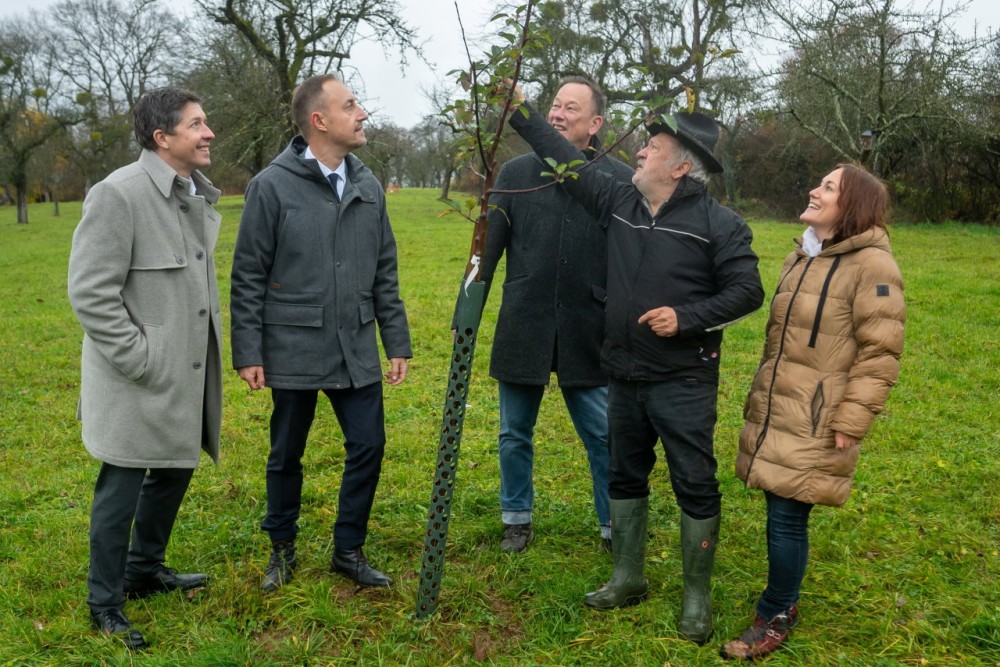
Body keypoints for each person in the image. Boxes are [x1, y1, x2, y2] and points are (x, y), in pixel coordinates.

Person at [504, 86, 764, 644]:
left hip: (683, 377)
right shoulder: (617, 201)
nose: (640, 152)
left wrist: (687, 317)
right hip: (622, 370)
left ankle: (696, 595)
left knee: (693, 480)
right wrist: (521, 110)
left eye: (653, 147)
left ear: (681, 166)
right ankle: (628, 576)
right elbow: (566, 158)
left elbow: (747, 291)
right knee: (624, 473)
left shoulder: (720, 224)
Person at [230, 73, 411, 593]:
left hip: (355, 344)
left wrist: (396, 341)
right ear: (319, 120)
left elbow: (385, 269)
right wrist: (249, 350)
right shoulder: (271, 187)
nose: (362, 113)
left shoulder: (368, 186)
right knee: (287, 452)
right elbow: (248, 275)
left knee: (369, 444)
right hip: (293, 344)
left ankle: (348, 549)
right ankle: (281, 548)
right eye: (350, 105)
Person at [720, 164, 905, 660]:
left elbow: (881, 351)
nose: (813, 190)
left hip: (819, 413)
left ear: (853, 204)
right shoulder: (802, 255)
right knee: (780, 504)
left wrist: (852, 420)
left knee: (787, 512)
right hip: (781, 403)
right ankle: (782, 601)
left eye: (828, 187)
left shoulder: (874, 267)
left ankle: (778, 610)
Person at [67, 87, 222, 650]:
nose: (208, 133)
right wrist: (141, 358)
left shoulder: (193, 192)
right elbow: (90, 293)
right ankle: (104, 603)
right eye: (196, 124)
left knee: (175, 467)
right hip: (135, 377)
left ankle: (143, 570)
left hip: (184, 372)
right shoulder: (118, 194)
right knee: (123, 485)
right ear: (162, 137)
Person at [477, 76, 634, 553]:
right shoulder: (515, 174)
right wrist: (470, 307)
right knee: (513, 432)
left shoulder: (618, 179)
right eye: (554, 105)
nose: (558, 114)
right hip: (524, 318)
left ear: (596, 123)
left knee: (603, 435)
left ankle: (612, 527)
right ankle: (516, 519)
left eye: (571, 108)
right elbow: (488, 251)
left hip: (588, 325)